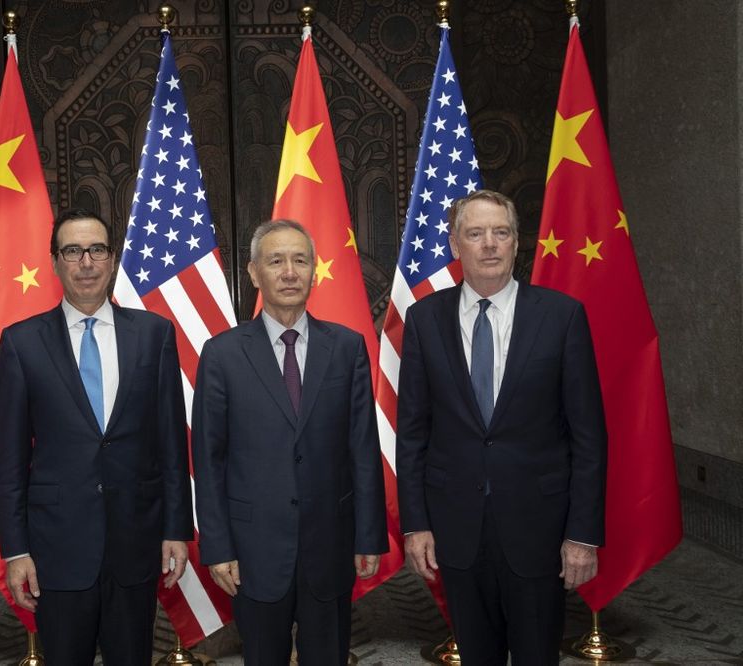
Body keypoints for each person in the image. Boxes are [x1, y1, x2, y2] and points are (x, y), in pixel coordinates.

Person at [396, 190, 607, 664]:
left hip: (541, 530)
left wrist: (583, 534)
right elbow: (412, 433)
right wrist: (416, 524)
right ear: (455, 245)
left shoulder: (561, 316)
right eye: (475, 233)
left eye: (501, 232)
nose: (489, 244)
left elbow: (588, 437)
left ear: (516, 243)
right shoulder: (424, 319)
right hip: (456, 530)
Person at [0, 209, 193, 664]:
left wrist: (176, 529)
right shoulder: (21, 344)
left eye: (96, 250)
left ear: (113, 258)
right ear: (55, 262)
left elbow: (171, 444)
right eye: (72, 251)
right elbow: (8, 459)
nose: (86, 262)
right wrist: (16, 549)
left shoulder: (154, 335)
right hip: (56, 549)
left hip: (136, 542)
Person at [191, 219, 388, 665]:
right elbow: (209, 458)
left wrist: (369, 536)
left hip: (330, 542)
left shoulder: (347, 348)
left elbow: (362, 447)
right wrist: (218, 545)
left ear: (314, 272)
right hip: (253, 549)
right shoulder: (222, 354)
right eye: (275, 261)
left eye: (301, 260)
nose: (289, 272)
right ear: (253, 273)